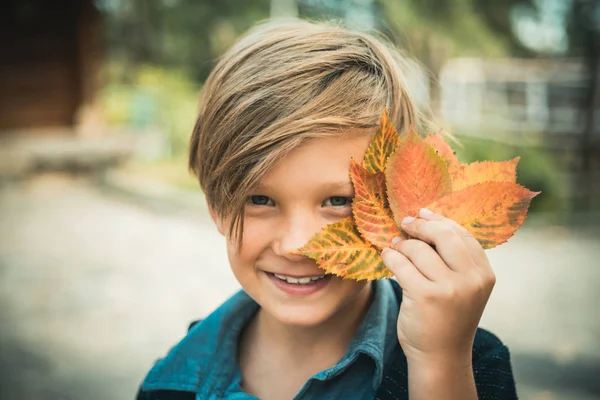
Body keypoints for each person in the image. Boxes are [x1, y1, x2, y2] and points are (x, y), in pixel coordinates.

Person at [136, 18, 518, 400]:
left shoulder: (468, 365)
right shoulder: (167, 387)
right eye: (260, 200)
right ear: (215, 206)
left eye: (338, 201)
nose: (298, 244)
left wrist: (439, 363)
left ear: (399, 201)